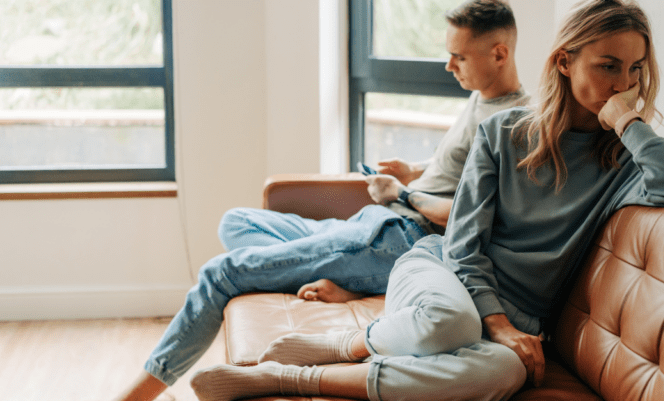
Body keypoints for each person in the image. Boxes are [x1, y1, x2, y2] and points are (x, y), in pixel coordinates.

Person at [187, 0, 664, 400]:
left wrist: (630, 123)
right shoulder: (503, 133)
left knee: (506, 371)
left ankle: (293, 377)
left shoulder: (620, 161)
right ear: (565, 63)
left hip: (519, 317)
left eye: (636, 69)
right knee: (452, 322)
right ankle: (349, 343)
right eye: (609, 66)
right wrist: (496, 324)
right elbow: (461, 246)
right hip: (443, 273)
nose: (624, 85)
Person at [115, 1, 529, 400]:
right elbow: (458, 171)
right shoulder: (482, 95)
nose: (448, 65)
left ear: (499, 53)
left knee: (221, 273)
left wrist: (402, 193)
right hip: (374, 224)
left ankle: (140, 392)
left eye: (458, 56)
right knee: (236, 222)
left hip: (402, 238)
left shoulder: (510, 125)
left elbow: (465, 218)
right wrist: (414, 169)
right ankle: (338, 274)